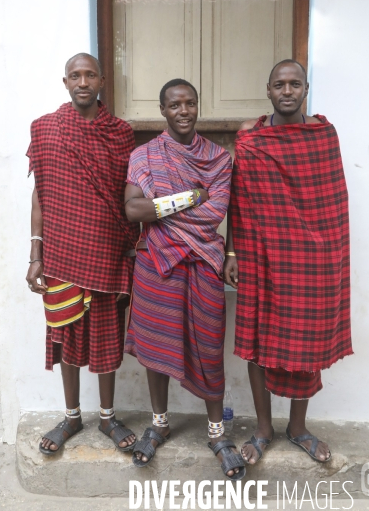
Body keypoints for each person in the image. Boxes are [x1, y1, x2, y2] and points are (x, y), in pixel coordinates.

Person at [224, 60, 352, 465]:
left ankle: (297, 428)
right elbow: (237, 201)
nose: (287, 90)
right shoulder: (251, 139)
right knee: (258, 341)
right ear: (267, 89)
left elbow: (332, 204)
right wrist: (232, 252)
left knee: (307, 340)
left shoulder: (323, 137)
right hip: (262, 256)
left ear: (306, 88)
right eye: (279, 84)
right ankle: (263, 428)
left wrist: (330, 257)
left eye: (295, 83)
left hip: (312, 262)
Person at [124, 78, 245, 480]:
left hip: (204, 261)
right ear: (162, 110)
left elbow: (216, 213)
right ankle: (159, 423)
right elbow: (132, 211)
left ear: (197, 107)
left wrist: (162, 207)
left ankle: (217, 433)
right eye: (174, 105)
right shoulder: (144, 155)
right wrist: (190, 197)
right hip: (157, 261)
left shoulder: (217, 158)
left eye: (190, 103)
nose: (183, 111)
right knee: (155, 347)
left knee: (210, 345)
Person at [26, 53, 139, 455]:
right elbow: (40, 194)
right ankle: (72, 415)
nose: (83, 82)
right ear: (65, 82)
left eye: (90, 75)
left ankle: (107, 417)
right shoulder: (46, 130)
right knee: (66, 335)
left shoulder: (121, 133)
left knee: (107, 335)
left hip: (107, 251)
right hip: (60, 253)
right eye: (75, 75)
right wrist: (35, 252)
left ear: (102, 81)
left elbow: (130, 193)